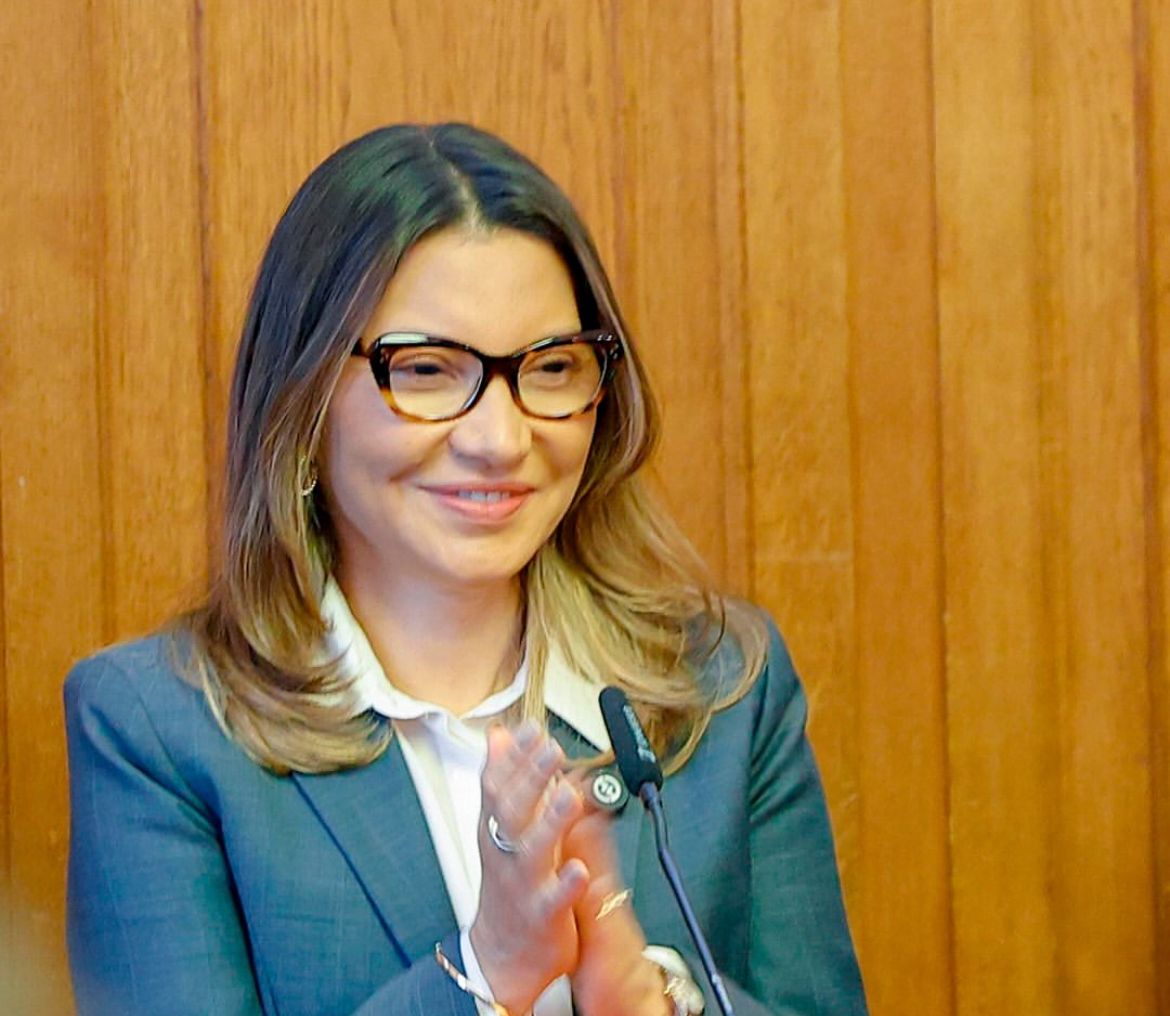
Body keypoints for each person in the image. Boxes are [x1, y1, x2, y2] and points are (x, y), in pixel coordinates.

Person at [65, 123, 867, 1016]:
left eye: (551, 367)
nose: (499, 439)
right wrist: (486, 973)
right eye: (427, 369)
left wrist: (653, 1001)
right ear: (302, 397)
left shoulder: (725, 689)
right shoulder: (157, 730)